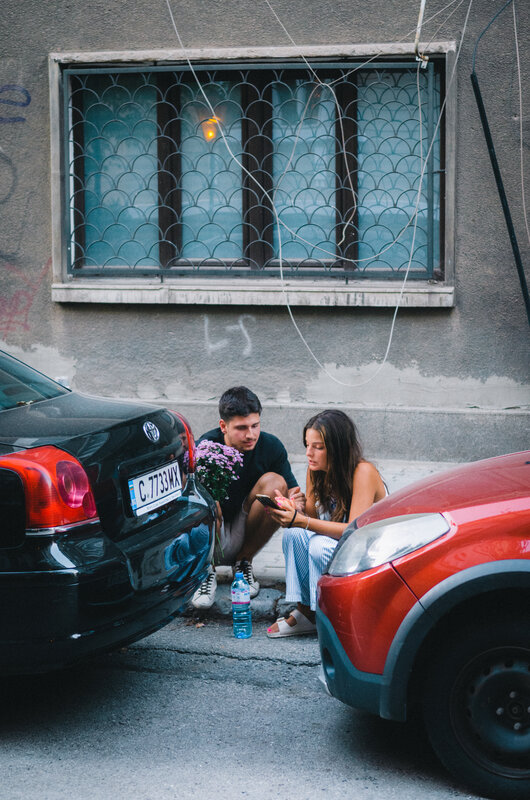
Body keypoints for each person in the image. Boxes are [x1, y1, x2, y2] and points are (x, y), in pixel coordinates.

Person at [266, 409, 386, 638]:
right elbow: (311, 521)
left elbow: (353, 531)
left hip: (369, 553)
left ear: (338, 448)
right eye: (307, 445)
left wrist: (301, 521)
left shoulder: (363, 471)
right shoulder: (316, 471)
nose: (309, 453)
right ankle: (307, 612)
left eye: (318, 447)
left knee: (318, 545)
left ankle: (332, 615)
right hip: (340, 547)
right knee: (294, 534)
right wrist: (296, 510)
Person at [191, 386, 302, 609]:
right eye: (241, 428)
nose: (250, 434)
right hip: (212, 535)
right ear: (223, 426)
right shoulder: (207, 448)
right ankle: (205, 570)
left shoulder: (271, 446)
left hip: (247, 531)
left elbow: (294, 492)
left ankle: (243, 563)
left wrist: (296, 504)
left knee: (276, 483)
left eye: (255, 425)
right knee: (204, 498)